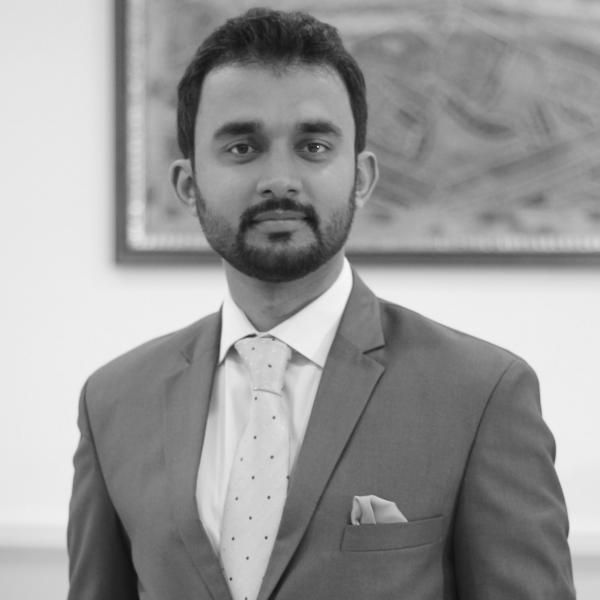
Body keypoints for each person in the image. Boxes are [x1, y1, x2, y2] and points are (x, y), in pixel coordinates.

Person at [67, 8, 575, 600]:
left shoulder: (481, 393)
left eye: (313, 146)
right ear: (187, 183)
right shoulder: (113, 402)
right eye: (242, 147)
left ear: (361, 177)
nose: (279, 179)